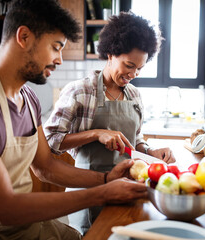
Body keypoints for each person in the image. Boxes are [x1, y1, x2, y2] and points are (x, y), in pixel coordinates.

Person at [0, 1, 148, 239]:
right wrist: (103, 193)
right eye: (56, 47)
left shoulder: (28, 99)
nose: (60, 59)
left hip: (27, 226)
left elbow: (46, 168)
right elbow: (5, 209)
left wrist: (106, 179)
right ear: (24, 37)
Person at [44, 11, 176, 234]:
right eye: (129, 65)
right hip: (89, 192)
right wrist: (96, 133)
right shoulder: (80, 91)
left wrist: (150, 152)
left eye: (140, 68)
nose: (133, 73)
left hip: (127, 191)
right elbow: (50, 141)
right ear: (111, 53)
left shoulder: (134, 96)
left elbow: (135, 140)